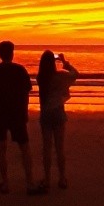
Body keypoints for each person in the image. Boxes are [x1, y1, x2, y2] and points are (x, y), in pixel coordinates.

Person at [0, 41, 43, 194]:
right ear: (12, 53)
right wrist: (24, 109)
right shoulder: (19, 70)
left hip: (1, 111)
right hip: (17, 112)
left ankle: (5, 183)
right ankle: (29, 183)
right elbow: (27, 90)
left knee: (1, 148)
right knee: (24, 148)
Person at [36, 49, 79, 192]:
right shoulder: (60, 76)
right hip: (58, 112)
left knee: (46, 148)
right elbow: (75, 74)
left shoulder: (41, 78)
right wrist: (64, 62)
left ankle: (47, 179)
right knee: (59, 148)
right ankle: (62, 178)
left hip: (46, 113)